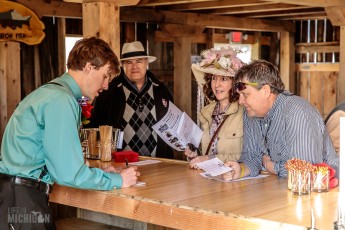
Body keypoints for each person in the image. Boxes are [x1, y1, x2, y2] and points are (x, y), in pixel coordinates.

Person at [0, 37, 140, 229]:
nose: (106, 85)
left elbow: (51, 160)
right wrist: (118, 180)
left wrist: (96, 173)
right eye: (106, 76)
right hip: (25, 200)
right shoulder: (61, 100)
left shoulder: (46, 93)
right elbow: (68, 173)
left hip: (13, 195)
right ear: (89, 67)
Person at [222, 60, 339, 181]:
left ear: (265, 91)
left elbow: (305, 171)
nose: (240, 101)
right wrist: (240, 169)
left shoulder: (297, 113)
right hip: (281, 187)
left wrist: (270, 166)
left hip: (324, 192)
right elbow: (252, 156)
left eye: (245, 95)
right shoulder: (251, 113)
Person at [88, 41, 174, 158]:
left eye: (139, 61)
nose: (134, 67)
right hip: (121, 164)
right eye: (129, 62)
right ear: (122, 65)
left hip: (159, 163)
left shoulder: (161, 90)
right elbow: (95, 127)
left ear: (146, 63)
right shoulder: (109, 91)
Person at [184, 47, 244, 168]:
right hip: (208, 177)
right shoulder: (205, 112)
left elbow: (249, 156)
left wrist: (208, 158)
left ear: (234, 83)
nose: (217, 84)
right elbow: (207, 150)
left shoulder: (244, 112)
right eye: (213, 78)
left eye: (223, 79)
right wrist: (194, 155)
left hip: (234, 179)